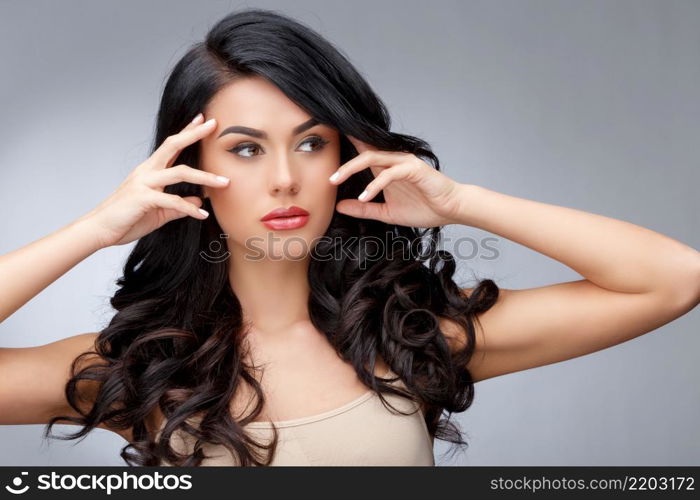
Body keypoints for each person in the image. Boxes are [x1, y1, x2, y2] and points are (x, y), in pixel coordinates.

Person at [1, 8, 698, 467]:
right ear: (192, 171)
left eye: (310, 142)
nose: (284, 179)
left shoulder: (412, 334)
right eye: (245, 149)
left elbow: (673, 279)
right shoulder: (138, 370)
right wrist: (92, 230)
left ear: (343, 156)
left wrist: (462, 202)